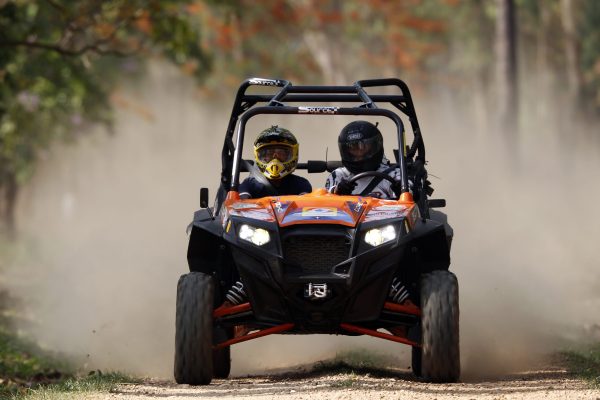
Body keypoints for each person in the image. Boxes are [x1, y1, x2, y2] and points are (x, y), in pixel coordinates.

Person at [325, 120, 401, 199]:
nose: (358, 151)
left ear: (374, 146)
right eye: (353, 147)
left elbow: (408, 196)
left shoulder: (393, 175)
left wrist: (401, 192)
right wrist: (337, 191)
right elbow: (325, 199)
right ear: (346, 150)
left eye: (363, 146)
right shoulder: (339, 175)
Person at [239, 126, 312, 199]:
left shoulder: (301, 184)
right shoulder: (250, 185)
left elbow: (305, 205)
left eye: (280, 153)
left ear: (293, 155)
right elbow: (241, 205)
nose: (275, 159)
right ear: (259, 156)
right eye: (269, 154)